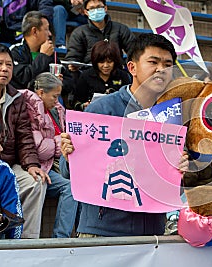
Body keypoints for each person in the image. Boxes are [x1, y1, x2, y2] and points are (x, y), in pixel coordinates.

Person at [60, 33, 188, 237]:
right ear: (132, 67)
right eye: (153, 62)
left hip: (151, 234)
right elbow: (68, 171)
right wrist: (69, 154)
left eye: (167, 65)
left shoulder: (171, 118)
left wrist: (182, 169)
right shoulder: (102, 109)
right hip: (102, 232)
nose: (161, 70)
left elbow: (176, 187)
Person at [0, 43, 50, 238]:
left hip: (10, 163)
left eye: (9, 65)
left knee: (36, 181)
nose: (4, 69)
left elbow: (24, 136)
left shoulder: (17, 98)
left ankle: (27, 241)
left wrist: (31, 164)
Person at [20, 72, 78, 238]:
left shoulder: (56, 110)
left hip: (59, 161)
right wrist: (61, 142)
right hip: (40, 165)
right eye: (54, 96)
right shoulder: (29, 110)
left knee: (83, 183)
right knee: (69, 188)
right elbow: (41, 150)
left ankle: (79, 234)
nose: (56, 101)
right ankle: (60, 239)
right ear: (41, 93)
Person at [9, 11, 75, 103]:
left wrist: (59, 83)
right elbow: (23, 79)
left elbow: (69, 81)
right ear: (34, 31)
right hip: (23, 103)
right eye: (46, 29)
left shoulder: (51, 53)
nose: (50, 34)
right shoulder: (15, 51)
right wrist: (43, 56)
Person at [65, 0, 136, 71]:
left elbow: (134, 51)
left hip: (116, 75)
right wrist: (72, 66)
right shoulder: (79, 32)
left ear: (105, 8)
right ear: (86, 12)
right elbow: (73, 57)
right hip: (89, 75)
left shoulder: (120, 29)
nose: (96, 11)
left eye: (99, 7)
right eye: (92, 8)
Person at [73, 40, 131, 111]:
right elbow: (75, 102)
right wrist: (83, 106)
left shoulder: (123, 76)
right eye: (101, 62)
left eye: (109, 62)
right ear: (95, 61)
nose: (106, 65)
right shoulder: (86, 76)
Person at [0, 125, 24, 239]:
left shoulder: (3, 171)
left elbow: (13, 216)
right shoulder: (3, 170)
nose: (1, 148)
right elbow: (14, 215)